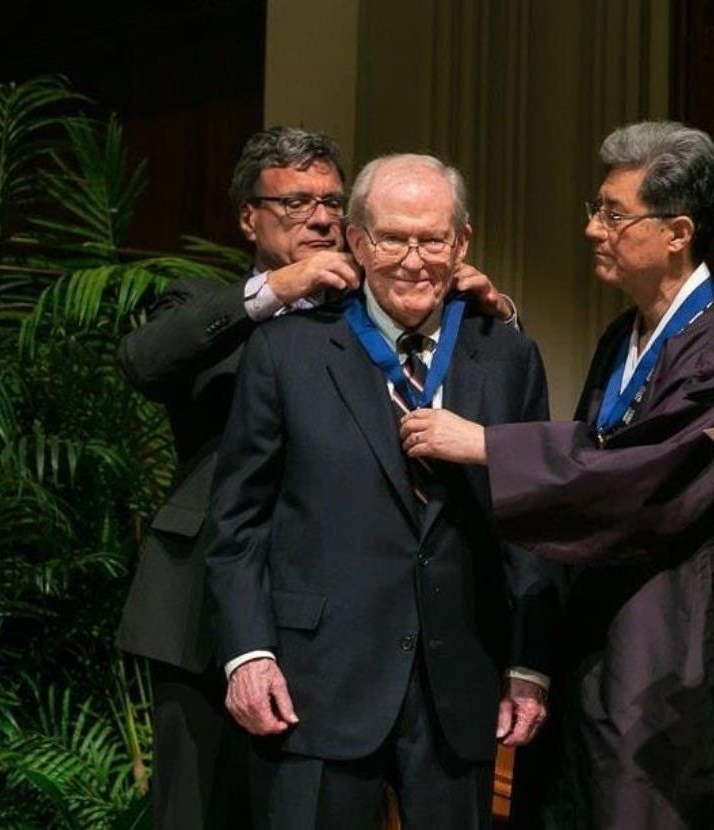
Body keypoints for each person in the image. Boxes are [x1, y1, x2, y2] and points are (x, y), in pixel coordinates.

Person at [115, 128, 515, 828]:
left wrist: (484, 314)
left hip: (343, 625)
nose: (320, 217)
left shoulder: (371, 304)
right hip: (210, 616)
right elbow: (146, 361)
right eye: (296, 202)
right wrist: (273, 292)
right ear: (249, 217)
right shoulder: (210, 305)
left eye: (332, 200)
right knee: (195, 813)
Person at [401, 121, 714, 829]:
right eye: (595, 210)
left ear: (677, 232)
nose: (595, 229)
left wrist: (489, 446)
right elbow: (590, 453)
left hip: (665, 651)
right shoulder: (623, 334)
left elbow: (641, 480)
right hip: (594, 640)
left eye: (614, 213)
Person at [203, 153, 557, 829]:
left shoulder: (507, 355)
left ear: (462, 242)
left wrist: (529, 662)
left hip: (460, 680)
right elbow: (238, 521)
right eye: (393, 239)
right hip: (317, 681)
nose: (414, 260)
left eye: (433, 239)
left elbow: (532, 518)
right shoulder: (289, 351)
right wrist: (248, 654)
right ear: (358, 242)